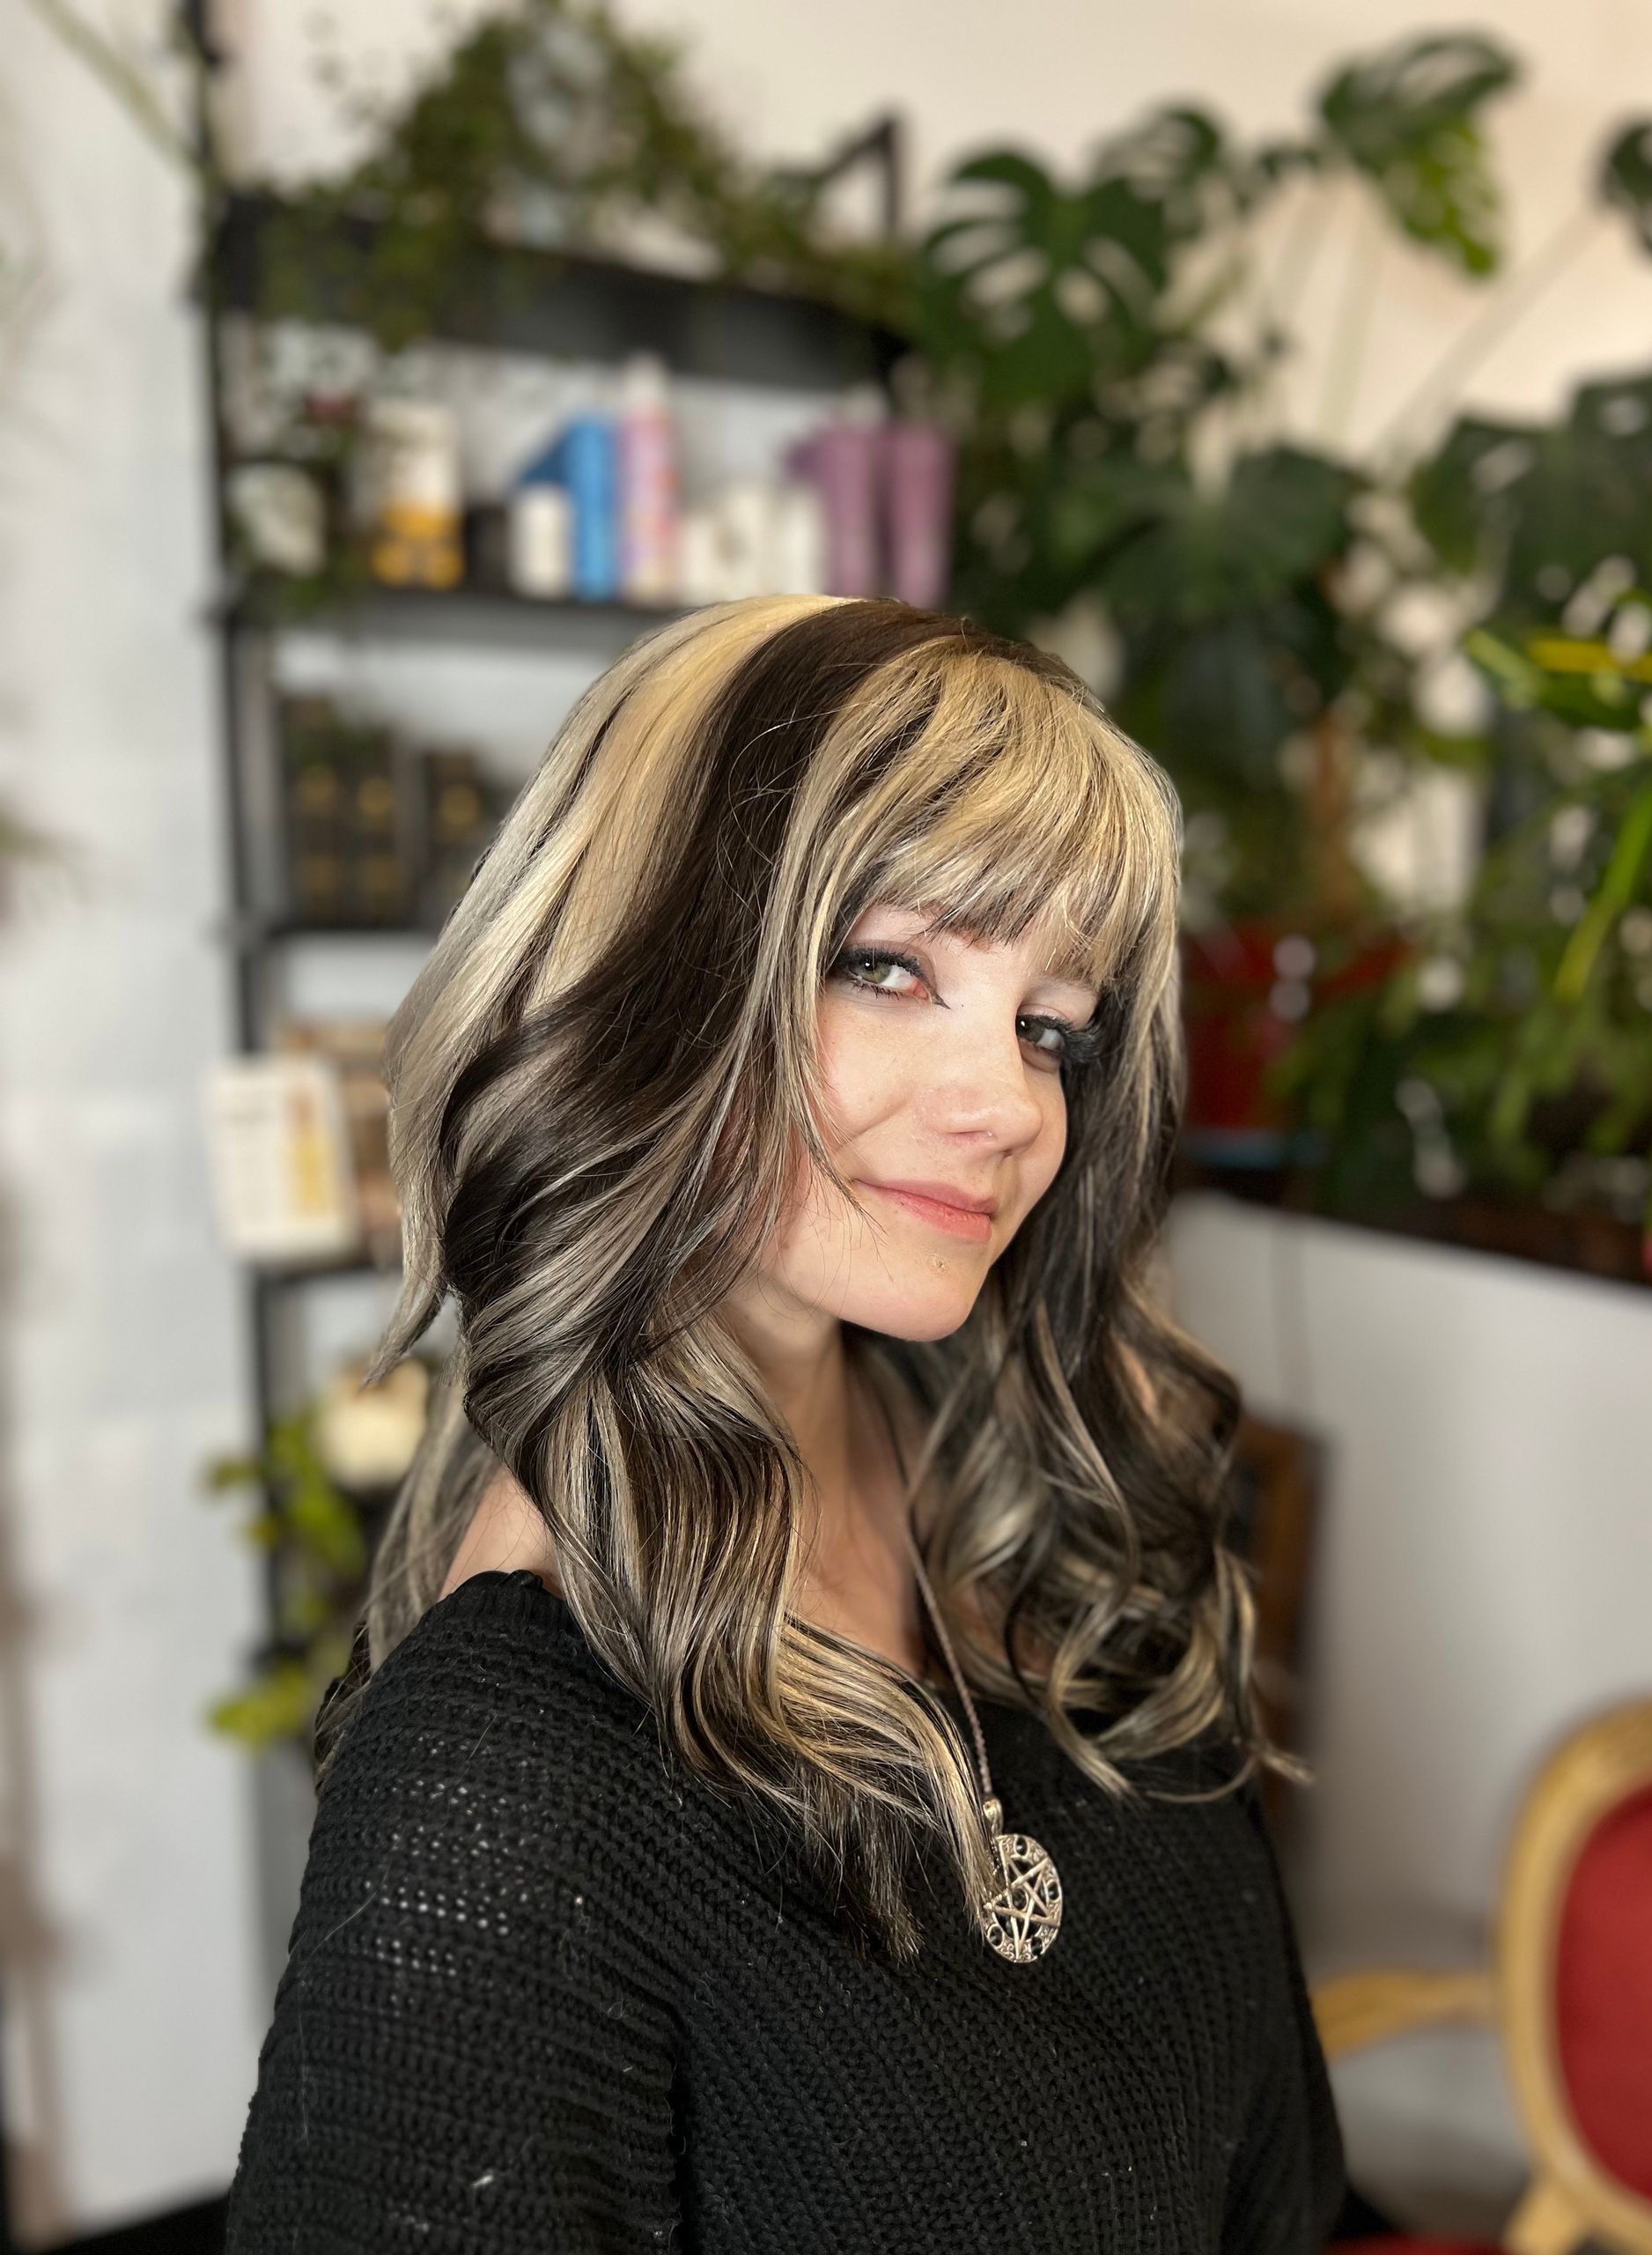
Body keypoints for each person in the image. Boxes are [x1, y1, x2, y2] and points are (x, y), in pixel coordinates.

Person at [224, 593, 1346, 2252]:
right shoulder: (511, 1770)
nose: (1007, 1105)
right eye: (890, 967)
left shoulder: (1045, 1514)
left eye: (1053, 1025)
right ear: (639, 974)